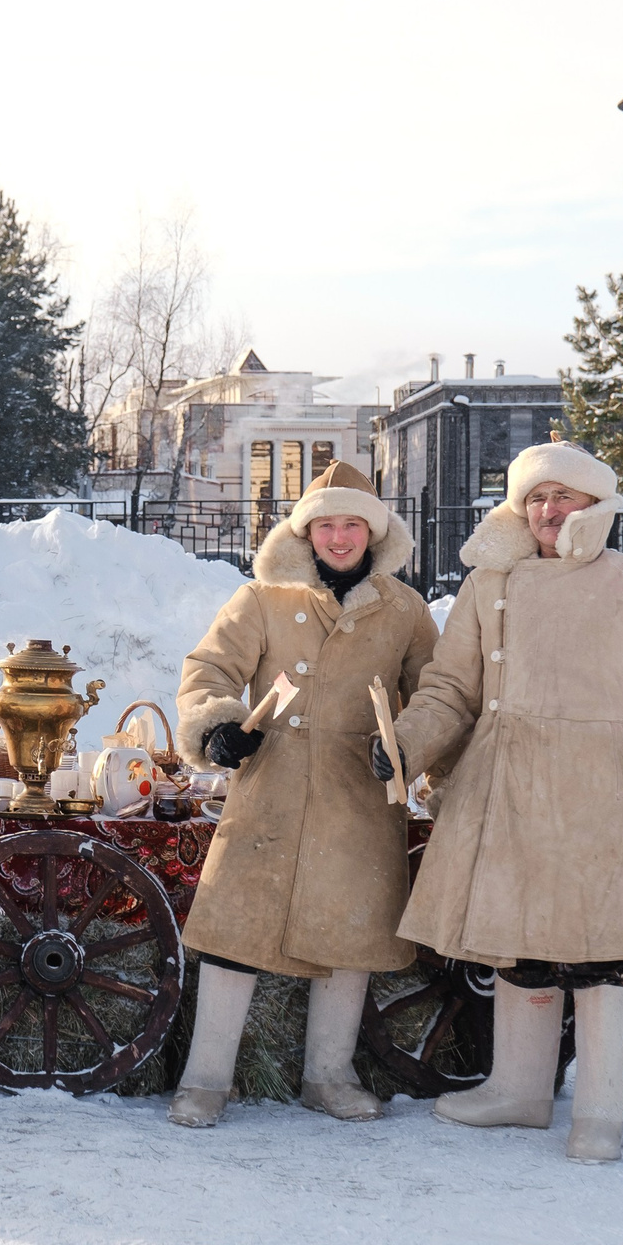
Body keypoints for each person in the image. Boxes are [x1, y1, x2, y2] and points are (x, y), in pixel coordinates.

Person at [373, 441, 623, 1163]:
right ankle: (520, 1090)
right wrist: (405, 744)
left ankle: (601, 1111)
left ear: (595, 504)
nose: (548, 509)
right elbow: (450, 689)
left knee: (600, 948)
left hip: (595, 789)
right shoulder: (489, 584)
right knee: (518, 941)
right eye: (535, 497)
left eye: (563, 496)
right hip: (502, 783)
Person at [168, 460, 438, 1127]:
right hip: (271, 791)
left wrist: (409, 745)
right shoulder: (261, 598)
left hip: (359, 794)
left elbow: (437, 694)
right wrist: (218, 727)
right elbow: (209, 669)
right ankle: (205, 1080)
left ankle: (329, 1075)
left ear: (372, 534)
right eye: (327, 525)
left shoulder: (404, 610)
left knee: (351, 936)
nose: (340, 538)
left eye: (352, 525)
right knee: (237, 933)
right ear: (306, 532)